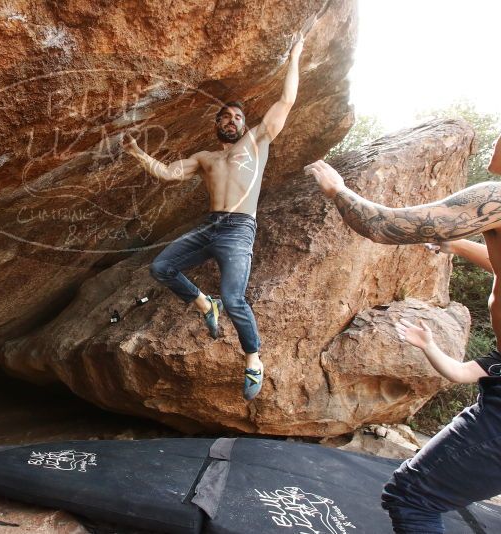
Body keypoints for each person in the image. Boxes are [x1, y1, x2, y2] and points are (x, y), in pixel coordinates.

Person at [304, 135, 501, 533]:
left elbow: (385, 226)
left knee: (412, 499)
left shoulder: (496, 197)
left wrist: (337, 190)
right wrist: (459, 246)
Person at [122, 36, 305, 400]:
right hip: (209, 227)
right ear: (217, 124)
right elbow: (168, 173)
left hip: (239, 229)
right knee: (161, 268)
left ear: (244, 123)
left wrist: (296, 55)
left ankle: (253, 359)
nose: (232, 120)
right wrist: (136, 152)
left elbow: (286, 100)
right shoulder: (206, 158)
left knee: (234, 297)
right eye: (225, 116)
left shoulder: (257, 140)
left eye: (237, 116)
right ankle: (205, 304)